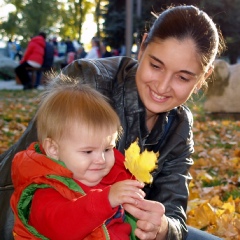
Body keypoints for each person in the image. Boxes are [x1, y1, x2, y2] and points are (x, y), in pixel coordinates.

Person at [0, 5, 225, 240]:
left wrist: (162, 227)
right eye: (156, 66)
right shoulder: (87, 82)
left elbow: (175, 215)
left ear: (203, 77)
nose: (162, 86)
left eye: (182, 77)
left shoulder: (179, 125)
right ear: (143, 46)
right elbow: (30, 178)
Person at [10, 79, 145, 239]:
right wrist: (106, 200)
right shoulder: (44, 191)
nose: (101, 159)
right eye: (88, 152)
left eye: (108, 149)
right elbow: (61, 227)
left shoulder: (111, 176)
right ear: (53, 149)